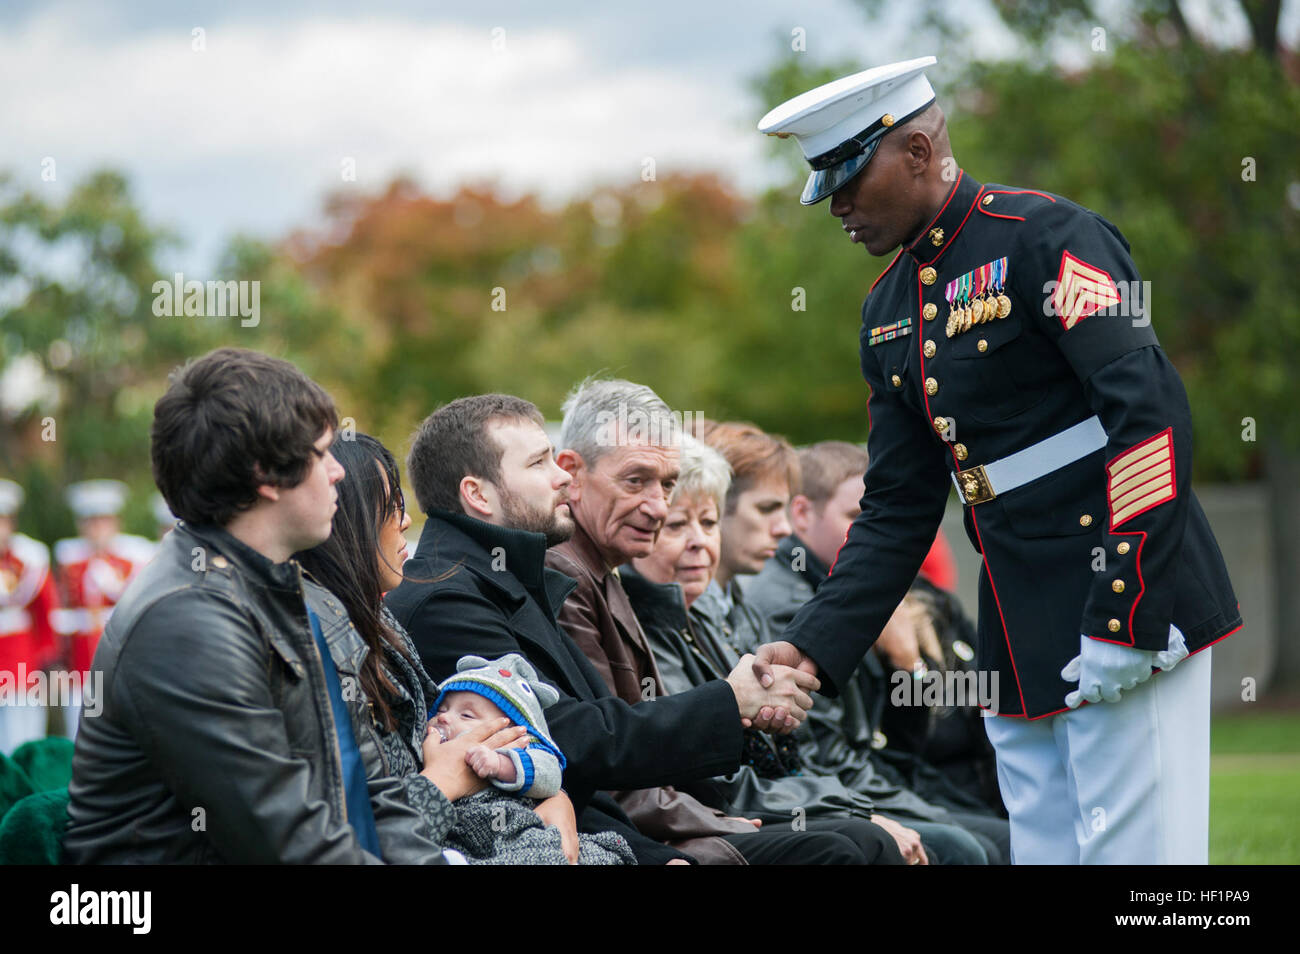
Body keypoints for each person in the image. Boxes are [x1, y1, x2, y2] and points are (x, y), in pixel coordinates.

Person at [755, 57, 1240, 864]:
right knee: (1045, 853)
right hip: (1016, 625)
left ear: (917, 150)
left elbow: (1150, 421)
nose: (835, 204)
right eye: (824, 183)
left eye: (847, 176)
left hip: (1121, 592)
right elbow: (898, 510)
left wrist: (1126, 608)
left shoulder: (1050, 238)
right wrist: (811, 648)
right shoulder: (887, 310)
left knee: (1140, 862)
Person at [386, 393, 890, 864]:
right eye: (539, 463)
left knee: (857, 841)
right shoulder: (447, 599)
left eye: (668, 484)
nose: (561, 477)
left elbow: (590, 737)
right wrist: (730, 703)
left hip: (607, 836)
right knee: (841, 851)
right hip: (565, 841)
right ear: (477, 494)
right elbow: (564, 741)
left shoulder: (508, 580)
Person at [65, 347, 447, 864]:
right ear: (267, 474)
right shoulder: (186, 622)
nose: (337, 472)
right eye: (322, 454)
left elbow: (377, 795)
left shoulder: (296, 591)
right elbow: (289, 843)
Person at [548, 380, 910, 864]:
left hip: (668, 819)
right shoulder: (568, 573)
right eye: (636, 481)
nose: (658, 506)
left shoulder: (611, 571)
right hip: (630, 835)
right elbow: (608, 752)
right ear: (572, 473)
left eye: (668, 485)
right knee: (851, 846)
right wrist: (735, 704)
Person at [649, 425, 1005, 863]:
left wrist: (909, 669)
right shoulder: (789, 605)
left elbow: (975, 701)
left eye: (706, 523)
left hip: (866, 783)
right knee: (965, 846)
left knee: (982, 836)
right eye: (766, 509)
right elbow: (829, 753)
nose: (779, 530)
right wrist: (908, 673)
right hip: (805, 796)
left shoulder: (741, 606)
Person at [295, 431, 587, 863]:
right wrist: (443, 782)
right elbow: (351, 834)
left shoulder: (376, 620)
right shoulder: (330, 635)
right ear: (348, 520)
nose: (407, 520)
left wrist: (554, 797)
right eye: (393, 506)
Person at [741, 440, 1003, 815]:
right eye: (856, 515)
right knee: (978, 845)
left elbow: (984, 692)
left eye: (875, 518)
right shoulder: (801, 611)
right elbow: (851, 754)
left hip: (964, 777)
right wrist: (909, 669)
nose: (869, 533)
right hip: (887, 790)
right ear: (801, 514)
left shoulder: (919, 591)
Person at [430, 654, 634, 864]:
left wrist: (501, 763)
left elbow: (549, 776)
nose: (444, 717)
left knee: (598, 854)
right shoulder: (426, 751)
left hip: (515, 824)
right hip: (464, 830)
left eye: (467, 715)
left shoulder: (521, 751)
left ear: (510, 733)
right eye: (442, 709)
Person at [51, 480, 154, 737]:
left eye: (103, 520)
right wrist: (57, 667)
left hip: (125, 665)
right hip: (80, 665)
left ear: (116, 522)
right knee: (79, 733)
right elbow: (58, 618)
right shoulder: (70, 560)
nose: (97, 528)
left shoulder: (134, 559)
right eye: (90, 521)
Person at [0, 480, 58, 753]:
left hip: (20, 659)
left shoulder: (29, 561)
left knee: (23, 735)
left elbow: (46, 610)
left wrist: (48, 656)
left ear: (11, 524)